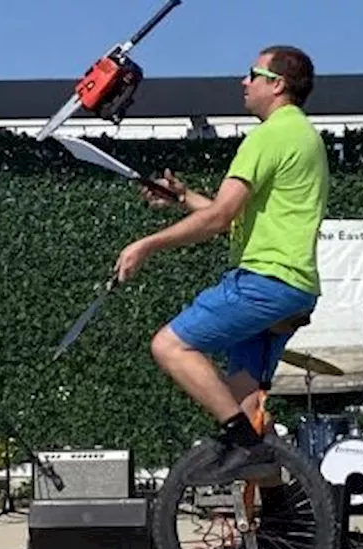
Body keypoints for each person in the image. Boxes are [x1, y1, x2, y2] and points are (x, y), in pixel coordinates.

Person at [113, 45, 330, 483]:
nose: (243, 82)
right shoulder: (303, 135)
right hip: (294, 287)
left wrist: (145, 245)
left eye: (252, 74)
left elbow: (218, 219)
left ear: (277, 84)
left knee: (170, 346)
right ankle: (284, 518)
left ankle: (244, 447)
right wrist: (183, 197)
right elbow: (239, 215)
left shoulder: (268, 136)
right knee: (247, 406)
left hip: (264, 281)